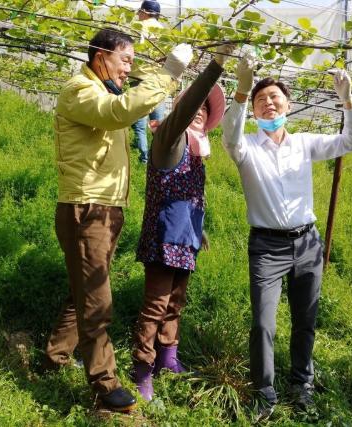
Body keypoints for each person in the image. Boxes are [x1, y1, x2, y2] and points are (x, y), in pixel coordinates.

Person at [44, 28, 192, 413]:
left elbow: (127, 101)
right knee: (97, 300)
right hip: (86, 208)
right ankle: (105, 384)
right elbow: (117, 113)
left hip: (105, 208)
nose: (129, 69)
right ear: (100, 57)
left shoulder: (105, 89)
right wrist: (168, 73)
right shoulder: (80, 90)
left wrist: (160, 76)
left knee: (84, 291)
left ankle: (55, 357)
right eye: (125, 60)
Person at [221, 54, 352, 418]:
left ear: (288, 104)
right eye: (261, 99)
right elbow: (230, 134)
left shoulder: (304, 143)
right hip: (267, 246)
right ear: (254, 110)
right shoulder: (246, 147)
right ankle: (264, 393)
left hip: (307, 243)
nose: (268, 102)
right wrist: (241, 91)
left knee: (305, 320)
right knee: (263, 323)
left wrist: (347, 100)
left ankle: (302, 386)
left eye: (275, 97)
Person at [131, 45, 233, 401]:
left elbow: (187, 198)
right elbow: (187, 107)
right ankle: (142, 369)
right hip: (163, 240)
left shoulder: (196, 153)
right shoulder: (169, 141)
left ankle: (167, 359)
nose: (200, 112)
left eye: (206, 110)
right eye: (195, 107)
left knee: (175, 303)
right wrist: (216, 66)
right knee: (155, 305)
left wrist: (197, 230)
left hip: (185, 240)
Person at [130, 0, 165, 163]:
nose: (138, 15)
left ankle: (143, 159)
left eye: (139, 12)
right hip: (158, 82)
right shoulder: (164, 32)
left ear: (145, 12)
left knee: (139, 123)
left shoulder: (137, 27)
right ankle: (159, 159)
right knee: (157, 124)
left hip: (139, 80)